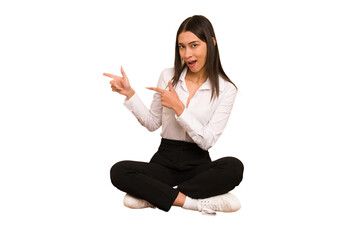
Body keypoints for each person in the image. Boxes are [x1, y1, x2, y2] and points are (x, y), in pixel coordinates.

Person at [103, 15, 244, 215]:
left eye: (194, 45)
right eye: (181, 47)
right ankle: (195, 203)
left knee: (234, 167)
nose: (187, 54)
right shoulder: (168, 76)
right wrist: (129, 94)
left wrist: (180, 108)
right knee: (118, 171)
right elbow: (152, 123)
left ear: (212, 43)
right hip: (164, 161)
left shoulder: (226, 89)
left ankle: (154, 195)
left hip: (198, 163)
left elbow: (208, 141)